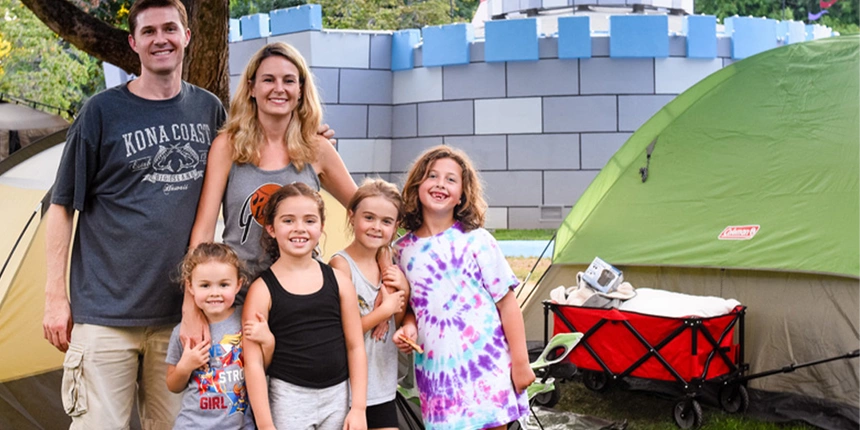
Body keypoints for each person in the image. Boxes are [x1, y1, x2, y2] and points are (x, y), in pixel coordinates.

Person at [41, 0, 226, 427]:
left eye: (169, 29)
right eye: (149, 32)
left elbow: (251, 157)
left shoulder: (209, 110)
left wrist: (306, 134)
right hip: (105, 315)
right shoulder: (101, 112)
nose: (160, 39)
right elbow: (61, 205)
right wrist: (55, 297)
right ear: (134, 43)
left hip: (181, 316)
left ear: (186, 37)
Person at [391, 146, 536, 430]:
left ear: (462, 194)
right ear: (417, 184)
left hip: (487, 365)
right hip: (438, 374)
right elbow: (411, 306)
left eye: (450, 179)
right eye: (432, 176)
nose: (440, 184)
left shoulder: (477, 240)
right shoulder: (402, 250)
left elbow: (507, 303)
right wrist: (408, 326)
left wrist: (521, 362)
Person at [190, 41, 357, 282]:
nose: (279, 88)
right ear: (251, 88)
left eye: (288, 81)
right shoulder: (228, 146)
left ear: (300, 90)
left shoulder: (317, 148)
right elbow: (204, 231)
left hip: (302, 293)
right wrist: (193, 297)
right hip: (239, 292)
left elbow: (365, 210)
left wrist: (362, 263)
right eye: (268, 80)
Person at [242, 183, 367, 430]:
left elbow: (355, 346)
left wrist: (359, 408)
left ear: (321, 227)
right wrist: (266, 425)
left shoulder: (339, 281)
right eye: (288, 220)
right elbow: (253, 363)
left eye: (309, 221)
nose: (299, 228)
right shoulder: (261, 290)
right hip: (289, 398)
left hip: (337, 396)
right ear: (271, 228)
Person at [330, 179, 410, 430]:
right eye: (369, 218)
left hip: (383, 385)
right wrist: (383, 312)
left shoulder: (391, 262)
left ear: (396, 225)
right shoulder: (341, 266)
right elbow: (342, 333)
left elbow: (400, 315)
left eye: (386, 221)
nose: (377, 227)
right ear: (351, 216)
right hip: (349, 391)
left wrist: (403, 290)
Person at [166, 243, 257, 429]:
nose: (214, 293)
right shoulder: (184, 331)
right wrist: (185, 366)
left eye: (224, 284)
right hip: (193, 425)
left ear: (238, 284)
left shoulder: (246, 318)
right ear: (190, 287)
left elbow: (265, 365)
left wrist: (266, 339)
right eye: (205, 285)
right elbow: (172, 385)